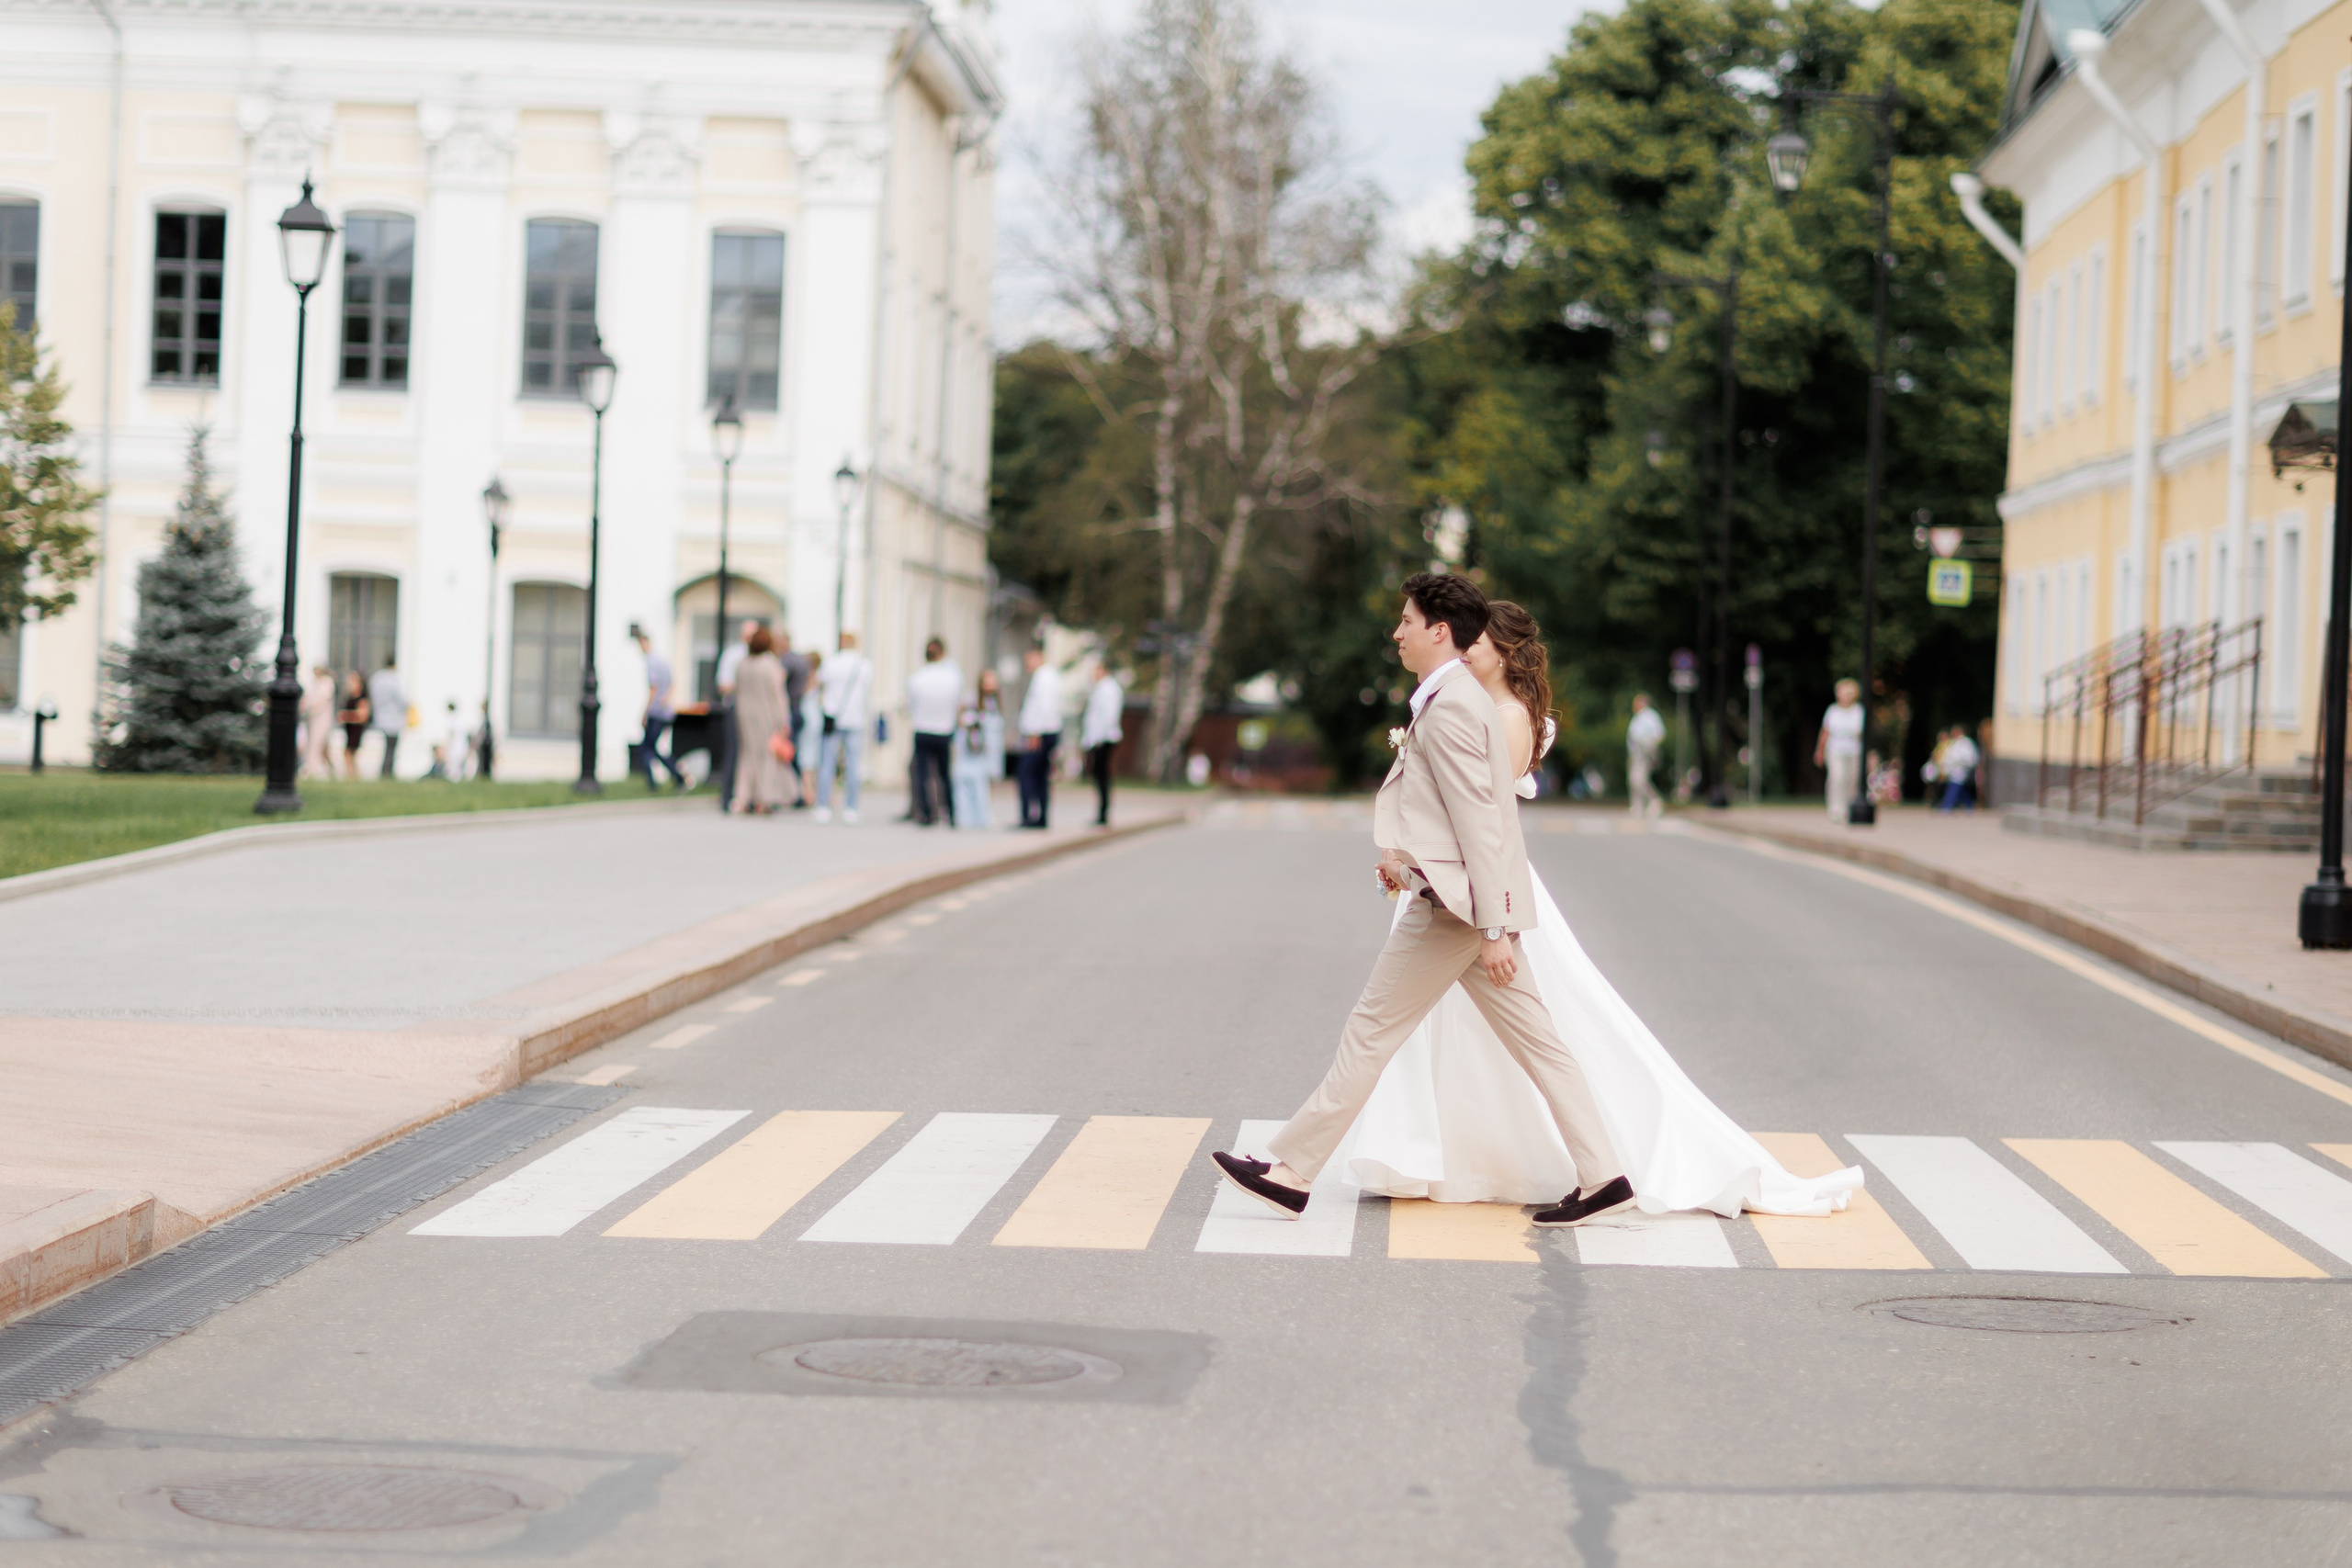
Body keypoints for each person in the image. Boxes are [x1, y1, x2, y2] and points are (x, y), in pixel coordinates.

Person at [1208, 579, 1864, 1227]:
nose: (1397, 631)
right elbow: (1453, 815)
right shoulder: (1455, 698)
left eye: (1406, 620)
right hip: (1466, 906)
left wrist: (1493, 925)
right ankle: (1604, 1176)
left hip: (1457, 913)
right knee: (1542, 1045)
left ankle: (1292, 1173)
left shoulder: (1462, 706)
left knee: (1369, 1032)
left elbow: (1486, 823)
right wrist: (1409, 862)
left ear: (1441, 630)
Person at [730, 626, 793, 814]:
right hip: (766, 715)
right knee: (767, 756)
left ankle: (742, 798)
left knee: (747, 755)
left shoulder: (743, 664)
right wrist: (784, 720)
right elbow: (778, 695)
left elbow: (737, 690)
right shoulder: (770, 664)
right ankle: (764, 798)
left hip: (744, 714)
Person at [813, 629, 873, 824]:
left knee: (827, 763)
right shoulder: (864, 665)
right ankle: (851, 808)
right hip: (855, 718)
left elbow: (819, 684)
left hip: (833, 717)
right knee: (853, 765)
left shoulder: (832, 663)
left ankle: (823, 806)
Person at [905, 637, 964, 827]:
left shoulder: (916, 678)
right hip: (944, 729)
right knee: (944, 773)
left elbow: (911, 705)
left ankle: (926, 812)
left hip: (922, 728)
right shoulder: (953, 678)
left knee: (922, 773)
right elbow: (957, 704)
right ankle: (950, 811)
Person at [951, 669, 1006, 830]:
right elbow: (963, 719)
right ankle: (967, 817)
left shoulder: (994, 702)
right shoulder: (972, 698)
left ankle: (983, 814)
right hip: (974, 749)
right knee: (971, 782)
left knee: (986, 782)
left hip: (990, 749)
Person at [1015, 647, 1063, 829]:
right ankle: (1041, 816)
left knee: (1026, 773)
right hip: (1045, 732)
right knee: (1041, 776)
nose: (1027, 663)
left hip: (1041, 733)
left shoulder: (1044, 678)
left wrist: (1035, 733)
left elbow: (1044, 707)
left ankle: (1029, 815)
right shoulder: (1047, 676)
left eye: (1029, 659)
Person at [633, 624, 684, 790]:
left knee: (646, 748)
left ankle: (658, 782)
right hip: (665, 712)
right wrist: (666, 700)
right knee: (652, 748)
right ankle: (675, 777)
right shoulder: (662, 661)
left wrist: (645, 713)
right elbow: (671, 684)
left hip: (656, 712)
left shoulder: (651, 663)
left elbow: (653, 690)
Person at [715, 618, 759, 811]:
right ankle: (728, 797)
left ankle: (750, 797)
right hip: (736, 707)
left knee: (753, 753)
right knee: (733, 752)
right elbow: (723, 685)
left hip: (755, 709)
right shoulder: (734, 655)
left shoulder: (760, 657)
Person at [1080, 660, 1124, 829]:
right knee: (1098, 776)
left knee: (1102, 775)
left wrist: (1097, 739)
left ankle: (1104, 812)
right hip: (1099, 738)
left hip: (1104, 739)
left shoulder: (1109, 689)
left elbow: (1108, 716)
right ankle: (1101, 812)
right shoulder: (1101, 688)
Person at [1815, 678, 1864, 823]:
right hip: (1835, 750)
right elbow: (1825, 732)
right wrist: (1819, 751)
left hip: (1854, 751)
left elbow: (1863, 734)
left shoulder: (1859, 711)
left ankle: (1850, 808)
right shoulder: (1833, 711)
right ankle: (1836, 809)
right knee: (1837, 778)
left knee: (1852, 780)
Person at [777, 629, 813, 808]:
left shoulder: (786, 661)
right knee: (795, 753)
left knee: (787, 754)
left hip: (789, 711)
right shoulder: (802, 661)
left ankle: (796, 793)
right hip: (799, 708)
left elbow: (777, 685)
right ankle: (802, 792)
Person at [1625, 693, 1665, 818]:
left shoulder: (1650, 715)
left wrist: (1649, 745)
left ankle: (1655, 801)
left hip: (1644, 752)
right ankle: (1638, 807)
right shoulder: (1639, 716)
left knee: (1639, 779)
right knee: (1633, 780)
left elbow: (1659, 733)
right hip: (1636, 752)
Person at [367, 657, 406, 780]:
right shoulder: (393, 681)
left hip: (381, 718)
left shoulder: (376, 679)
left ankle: (385, 770)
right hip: (393, 719)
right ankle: (387, 771)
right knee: (391, 748)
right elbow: (402, 701)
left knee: (387, 747)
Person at [298, 664, 336, 780]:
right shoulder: (316, 683)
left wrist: (310, 708)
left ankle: (317, 769)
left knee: (317, 744)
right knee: (313, 745)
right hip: (313, 719)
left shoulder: (326, 683)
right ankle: (314, 768)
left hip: (321, 719)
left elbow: (320, 701)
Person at [1937, 724, 1980, 812]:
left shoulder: (1966, 743)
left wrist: (1959, 762)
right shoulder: (1954, 743)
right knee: (1960, 790)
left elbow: (1970, 758)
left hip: (1961, 770)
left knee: (1954, 787)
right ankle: (1969, 806)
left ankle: (1946, 806)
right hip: (1953, 771)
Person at [336, 671, 369, 780]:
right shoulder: (350, 698)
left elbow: (363, 715)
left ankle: (352, 776)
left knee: (349, 754)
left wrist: (346, 716)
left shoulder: (362, 699)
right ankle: (354, 776)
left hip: (356, 730)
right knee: (349, 754)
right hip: (349, 730)